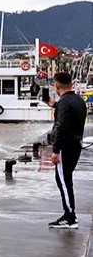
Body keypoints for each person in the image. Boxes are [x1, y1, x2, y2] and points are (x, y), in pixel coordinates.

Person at [46, 72, 87, 229]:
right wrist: (55, 105)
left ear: (56, 85)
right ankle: (69, 214)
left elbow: (62, 127)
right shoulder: (78, 100)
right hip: (75, 145)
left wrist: (55, 150)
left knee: (63, 181)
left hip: (65, 147)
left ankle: (70, 216)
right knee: (65, 179)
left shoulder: (64, 102)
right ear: (71, 84)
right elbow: (71, 115)